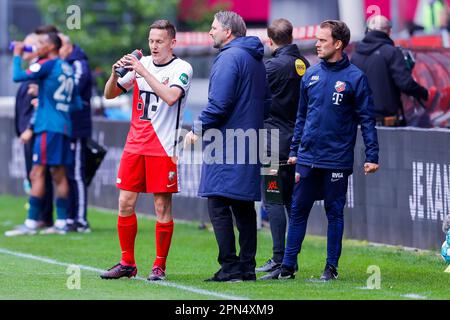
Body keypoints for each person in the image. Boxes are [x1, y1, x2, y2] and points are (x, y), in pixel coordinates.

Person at [262, 20, 379, 281]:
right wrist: (294, 149)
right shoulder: (311, 75)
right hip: (306, 158)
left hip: (336, 160)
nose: (316, 44)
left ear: (338, 44)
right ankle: (288, 267)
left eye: (322, 40)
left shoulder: (355, 78)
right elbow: (301, 118)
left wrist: (372, 155)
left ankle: (331, 268)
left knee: (334, 212)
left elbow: (367, 120)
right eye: (317, 39)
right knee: (298, 208)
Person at [100, 20, 193, 281]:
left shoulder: (181, 68)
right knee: (125, 203)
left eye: (159, 41)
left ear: (172, 43)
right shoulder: (141, 65)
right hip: (134, 145)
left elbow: (171, 96)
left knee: (162, 207)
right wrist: (114, 73)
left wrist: (142, 70)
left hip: (163, 147)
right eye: (151, 41)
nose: (154, 46)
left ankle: (159, 266)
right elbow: (110, 94)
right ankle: (127, 262)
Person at [185, 11, 271, 282]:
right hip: (250, 140)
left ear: (228, 32)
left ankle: (230, 267)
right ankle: (246, 268)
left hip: (226, 143)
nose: (210, 32)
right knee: (243, 206)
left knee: (218, 203)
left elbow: (219, 103)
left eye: (213, 28)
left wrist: (197, 128)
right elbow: (267, 103)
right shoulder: (256, 59)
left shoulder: (229, 57)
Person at [5, 32, 82, 236]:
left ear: (51, 47)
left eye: (41, 43)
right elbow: (76, 103)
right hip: (64, 127)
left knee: (36, 172)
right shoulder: (67, 67)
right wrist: (54, 102)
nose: (37, 46)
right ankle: (62, 223)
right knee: (59, 174)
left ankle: (31, 222)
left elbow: (17, 76)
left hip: (49, 127)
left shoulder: (48, 64)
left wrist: (17, 55)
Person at [256, 18, 310, 274]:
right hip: (297, 141)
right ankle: (290, 259)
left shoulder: (271, 67)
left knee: (274, 199)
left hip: (272, 142)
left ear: (270, 40)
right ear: (292, 35)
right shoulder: (305, 65)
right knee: (290, 200)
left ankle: (279, 258)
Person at [351, 15, 429, 127]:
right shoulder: (391, 52)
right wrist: (424, 93)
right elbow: (405, 84)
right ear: (388, 32)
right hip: (386, 123)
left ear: (367, 31)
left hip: (361, 122)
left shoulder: (355, 55)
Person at [11, 32, 54, 230]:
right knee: (35, 174)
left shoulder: (43, 67)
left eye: (29, 45)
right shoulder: (37, 67)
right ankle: (41, 217)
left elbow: (17, 77)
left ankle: (41, 218)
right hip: (31, 130)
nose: (25, 48)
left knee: (39, 173)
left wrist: (29, 127)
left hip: (39, 130)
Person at [59, 33, 93, 233]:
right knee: (68, 173)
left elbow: (73, 88)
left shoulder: (78, 63)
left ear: (67, 47)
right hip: (65, 127)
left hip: (77, 127)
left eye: (60, 46)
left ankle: (80, 219)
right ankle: (71, 216)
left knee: (77, 174)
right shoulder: (65, 63)